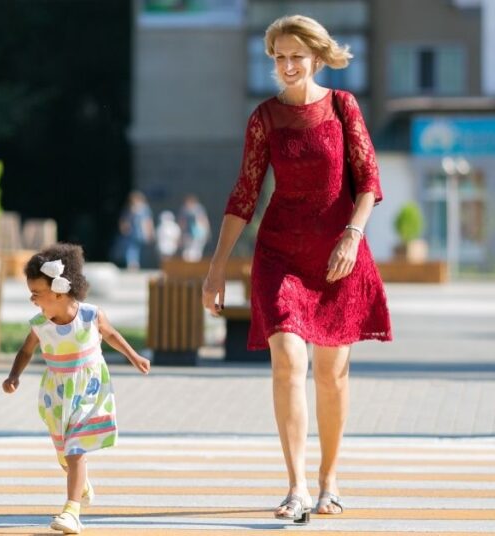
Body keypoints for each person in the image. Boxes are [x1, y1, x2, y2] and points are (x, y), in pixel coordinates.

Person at [201, 14, 392, 524]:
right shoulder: (264, 118)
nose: (287, 66)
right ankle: (297, 486)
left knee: (331, 374)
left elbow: (369, 180)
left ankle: (329, 480)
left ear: (316, 57)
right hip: (280, 253)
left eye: (296, 57)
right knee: (288, 360)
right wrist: (217, 267)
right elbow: (244, 195)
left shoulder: (343, 107)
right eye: (279, 58)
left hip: (337, 255)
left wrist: (353, 234)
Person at [3, 243, 151, 533]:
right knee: (65, 452)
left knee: (74, 449)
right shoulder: (39, 324)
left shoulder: (90, 315)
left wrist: (133, 357)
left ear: (58, 291)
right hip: (57, 393)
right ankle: (79, 484)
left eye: (37, 293)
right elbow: (25, 351)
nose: (32, 299)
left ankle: (72, 511)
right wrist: (14, 376)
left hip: (90, 389)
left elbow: (111, 335)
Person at [118, 191, 154, 270]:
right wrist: (124, 228)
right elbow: (124, 220)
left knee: (136, 248)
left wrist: (150, 232)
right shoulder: (130, 209)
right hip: (132, 233)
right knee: (131, 248)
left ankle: (135, 263)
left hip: (141, 233)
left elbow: (148, 221)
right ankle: (132, 264)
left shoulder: (144, 209)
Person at [178, 194, 211, 262]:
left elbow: (204, 220)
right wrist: (181, 235)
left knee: (197, 252)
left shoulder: (199, 209)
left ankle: (194, 270)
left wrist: (207, 232)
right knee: (187, 253)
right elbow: (182, 223)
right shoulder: (184, 209)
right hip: (188, 235)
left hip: (199, 234)